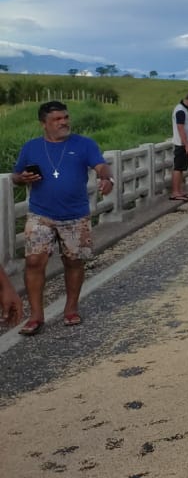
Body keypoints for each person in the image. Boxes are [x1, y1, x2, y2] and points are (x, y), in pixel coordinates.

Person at [10, 100, 114, 336]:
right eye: (57, 119)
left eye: (65, 117)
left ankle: (71, 308)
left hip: (75, 215)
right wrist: (22, 177)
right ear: (43, 124)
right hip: (40, 214)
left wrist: (107, 179)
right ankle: (36, 316)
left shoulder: (84, 144)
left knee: (74, 261)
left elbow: (101, 167)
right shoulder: (31, 147)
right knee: (34, 262)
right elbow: (16, 175)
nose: (63, 122)